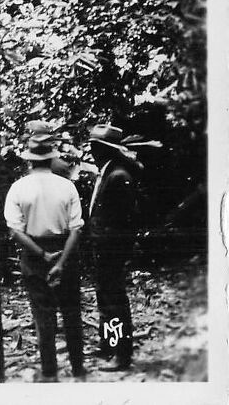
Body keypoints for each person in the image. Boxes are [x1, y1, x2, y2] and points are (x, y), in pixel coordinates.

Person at [4, 138, 86, 382]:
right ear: (51, 158)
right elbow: (76, 229)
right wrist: (60, 262)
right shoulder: (67, 186)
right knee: (72, 313)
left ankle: (50, 372)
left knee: (43, 316)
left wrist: (43, 255)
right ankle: (78, 369)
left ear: (29, 159)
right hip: (66, 251)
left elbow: (15, 231)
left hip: (34, 254)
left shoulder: (18, 188)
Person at [86, 124, 140, 371]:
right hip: (103, 247)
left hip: (111, 249)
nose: (91, 151)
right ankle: (109, 343)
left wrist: (115, 249)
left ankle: (122, 354)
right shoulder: (108, 172)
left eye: (95, 147)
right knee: (105, 297)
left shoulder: (118, 176)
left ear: (104, 150)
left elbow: (126, 219)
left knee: (115, 299)